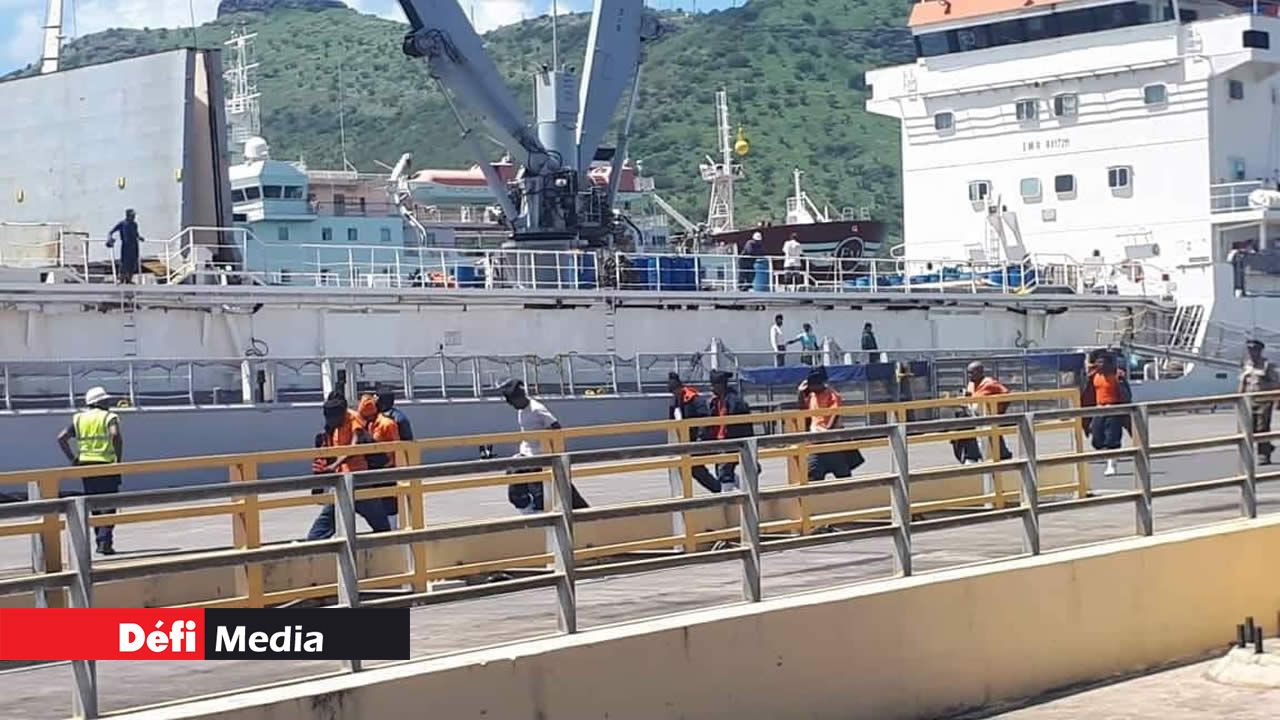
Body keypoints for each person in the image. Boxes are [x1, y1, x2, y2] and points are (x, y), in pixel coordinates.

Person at [305, 390, 391, 540]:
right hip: (342, 482)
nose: (329, 421)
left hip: (359, 481)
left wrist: (334, 465)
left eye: (332, 418)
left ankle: (390, 546)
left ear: (341, 413)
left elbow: (355, 446)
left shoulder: (353, 420)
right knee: (324, 524)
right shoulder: (334, 426)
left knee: (382, 526)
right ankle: (313, 545)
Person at [498, 379, 589, 512]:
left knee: (547, 489)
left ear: (520, 397)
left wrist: (549, 449)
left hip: (539, 456)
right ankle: (526, 508)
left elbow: (556, 427)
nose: (512, 406)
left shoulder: (537, 409)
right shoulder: (521, 410)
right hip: (526, 454)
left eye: (512, 402)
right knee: (514, 480)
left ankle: (576, 510)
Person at [57, 387, 123, 555]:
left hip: (86, 466)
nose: (109, 403)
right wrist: (118, 460)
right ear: (99, 402)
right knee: (108, 504)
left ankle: (100, 540)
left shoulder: (79, 419)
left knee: (93, 503)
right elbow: (115, 435)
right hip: (106, 464)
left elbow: (61, 437)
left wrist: (73, 459)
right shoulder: (109, 417)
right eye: (106, 400)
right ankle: (104, 542)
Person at [798, 367, 865, 481]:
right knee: (813, 476)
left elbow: (834, 415)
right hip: (815, 443)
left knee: (843, 476)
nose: (812, 387)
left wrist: (827, 433)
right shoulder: (811, 395)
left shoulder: (832, 395)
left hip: (832, 441)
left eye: (813, 385)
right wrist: (800, 392)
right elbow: (802, 408)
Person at [667, 372, 722, 493]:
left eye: (675, 391)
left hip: (702, 439)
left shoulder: (694, 398)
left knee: (696, 467)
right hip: (687, 442)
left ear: (680, 388)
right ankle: (720, 487)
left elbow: (705, 417)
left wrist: (700, 437)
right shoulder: (675, 402)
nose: (674, 394)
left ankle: (719, 488)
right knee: (693, 467)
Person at [1081, 349, 1132, 477]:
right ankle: (1109, 454)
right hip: (1099, 409)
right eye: (1098, 362)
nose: (1100, 365)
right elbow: (1087, 393)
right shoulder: (1094, 376)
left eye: (1103, 362)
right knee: (1097, 440)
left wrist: (1124, 410)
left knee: (1112, 438)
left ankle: (1111, 463)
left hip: (1114, 409)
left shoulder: (1117, 376)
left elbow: (1126, 394)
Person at [954, 361, 1013, 464]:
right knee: (972, 437)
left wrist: (999, 412)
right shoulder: (971, 384)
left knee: (992, 437)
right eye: (968, 373)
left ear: (980, 372)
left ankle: (1003, 456)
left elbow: (1006, 394)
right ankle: (972, 457)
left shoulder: (989, 382)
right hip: (974, 415)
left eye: (972, 373)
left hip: (987, 415)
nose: (969, 375)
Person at [706, 370, 755, 491]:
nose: (711, 388)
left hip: (732, 440)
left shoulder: (735, 401)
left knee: (724, 473)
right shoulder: (715, 401)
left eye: (714, 385)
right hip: (719, 441)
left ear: (721, 385)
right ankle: (744, 490)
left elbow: (743, 425)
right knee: (721, 471)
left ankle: (728, 501)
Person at [1240, 339, 1278, 465]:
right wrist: (1238, 398)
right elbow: (1243, 382)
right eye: (1249, 350)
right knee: (1251, 429)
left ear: (1260, 351)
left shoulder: (1267, 365)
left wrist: (1277, 399)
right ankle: (1267, 447)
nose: (1251, 352)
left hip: (1264, 401)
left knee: (1262, 428)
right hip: (1249, 400)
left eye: (1254, 350)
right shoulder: (1246, 364)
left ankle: (1263, 455)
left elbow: (1276, 383)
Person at [107, 209, 144, 285]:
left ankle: (129, 279)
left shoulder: (135, 224)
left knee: (132, 263)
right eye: (132, 215)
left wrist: (140, 237)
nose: (134, 217)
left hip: (134, 246)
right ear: (128, 215)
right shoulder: (122, 224)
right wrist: (110, 238)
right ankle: (121, 279)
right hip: (126, 246)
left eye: (134, 216)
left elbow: (136, 234)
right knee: (124, 263)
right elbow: (111, 232)